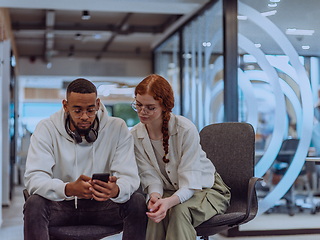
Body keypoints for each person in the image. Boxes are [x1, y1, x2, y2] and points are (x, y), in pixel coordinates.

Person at [23, 78, 147, 240]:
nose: (84, 117)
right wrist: (67, 189)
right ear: (65, 106)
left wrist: (116, 190)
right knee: (34, 203)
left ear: (97, 104)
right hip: (61, 205)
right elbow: (34, 178)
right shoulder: (46, 129)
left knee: (137, 201)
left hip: (102, 206)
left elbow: (129, 177)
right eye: (77, 110)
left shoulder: (117, 128)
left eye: (90, 110)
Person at [130, 74, 231, 240]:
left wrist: (168, 202)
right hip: (170, 191)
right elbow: (150, 177)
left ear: (165, 106)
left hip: (206, 189)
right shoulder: (135, 135)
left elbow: (190, 183)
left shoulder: (185, 129)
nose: (142, 111)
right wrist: (155, 197)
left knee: (178, 211)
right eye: (138, 105)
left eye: (150, 107)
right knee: (155, 214)